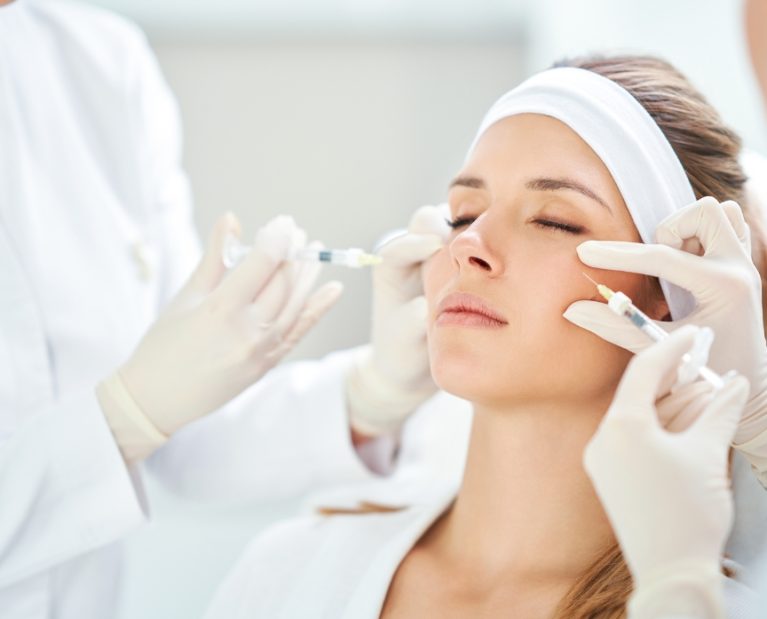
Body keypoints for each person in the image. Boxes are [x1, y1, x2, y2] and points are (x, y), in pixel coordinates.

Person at [202, 55, 767, 619]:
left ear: (674, 289)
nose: (466, 246)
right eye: (462, 213)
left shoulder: (700, 604)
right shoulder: (290, 575)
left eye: (554, 220)